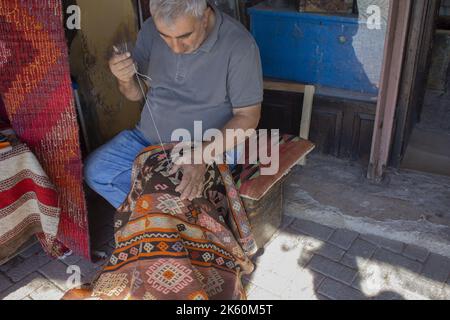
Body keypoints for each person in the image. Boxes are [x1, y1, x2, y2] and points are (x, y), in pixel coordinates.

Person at [84, 0, 263, 209]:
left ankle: (165, 219)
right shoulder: (151, 28)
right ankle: (158, 223)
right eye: (165, 37)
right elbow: (135, 94)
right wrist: (123, 79)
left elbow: (248, 116)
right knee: (96, 171)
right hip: (147, 139)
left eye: (184, 36)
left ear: (204, 17)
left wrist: (202, 155)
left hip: (207, 147)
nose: (175, 48)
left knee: (176, 191)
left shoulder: (239, 45)